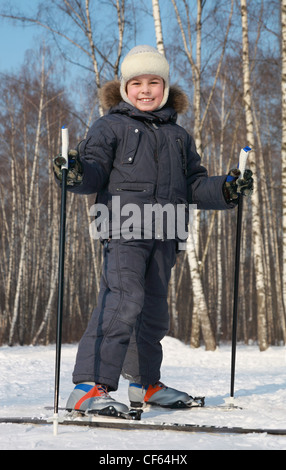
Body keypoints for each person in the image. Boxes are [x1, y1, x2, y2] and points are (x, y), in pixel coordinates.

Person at [54, 45, 253, 414]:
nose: (146, 90)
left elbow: (193, 185)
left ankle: (144, 384)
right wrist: (76, 173)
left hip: (167, 233)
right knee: (123, 300)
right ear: (125, 88)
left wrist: (225, 189)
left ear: (165, 87)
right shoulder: (109, 127)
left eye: (154, 82)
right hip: (123, 228)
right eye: (137, 83)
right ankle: (88, 386)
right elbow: (93, 170)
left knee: (154, 313)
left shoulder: (179, 136)